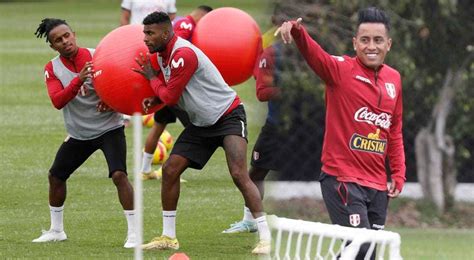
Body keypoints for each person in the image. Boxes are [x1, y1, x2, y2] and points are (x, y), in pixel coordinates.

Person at [132, 12, 271, 254]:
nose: (145, 39)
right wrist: (155, 97)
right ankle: (169, 237)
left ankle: (266, 237)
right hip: (201, 123)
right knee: (170, 169)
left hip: (228, 115)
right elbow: (170, 93)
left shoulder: (182, 54)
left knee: (238, 173)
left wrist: (152, 79)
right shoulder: (162, 55)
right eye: (145, 33)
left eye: (150, 33)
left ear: (166, 33)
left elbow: (171, 96)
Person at [276, 7, 406, 259]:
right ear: (354, 42)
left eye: (378, 40)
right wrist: (298, 31)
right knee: (362, 246)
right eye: (365, 40)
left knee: (364, 253)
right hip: (342, 180)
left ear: (388, 44)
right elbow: (316, 56)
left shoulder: (394, 79)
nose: (372, 46)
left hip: (378, 185)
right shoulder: (341, 71)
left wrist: (398, 174)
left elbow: (395, 129)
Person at [32, 18, 136, 248]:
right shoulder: (52, 68)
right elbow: (57, 101)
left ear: (74, 34)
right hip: (79, 134)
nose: (65, 41)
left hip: (110, 128)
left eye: (67, 35)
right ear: (52, 46)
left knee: (119, 175)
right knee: (56, 176)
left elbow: (124, 85)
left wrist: (111, 102)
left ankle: (134, 234)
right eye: (58, 40)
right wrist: (78, 81)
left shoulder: (98, 55)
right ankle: (57, 230)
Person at [222, 12, 285, 234]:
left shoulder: (313, 51)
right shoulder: (270, 53)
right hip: (276, 127)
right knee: (256, 172)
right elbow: (262, 92)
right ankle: (251, 221)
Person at [140, 5, 213, 181]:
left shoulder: (180, 21)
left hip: (165, 86)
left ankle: (145, 170)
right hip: (175, 88)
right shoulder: (187, 25)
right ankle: (173, 170)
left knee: (158, 127)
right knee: (194, 132)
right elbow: (176, 52)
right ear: (202, 16)